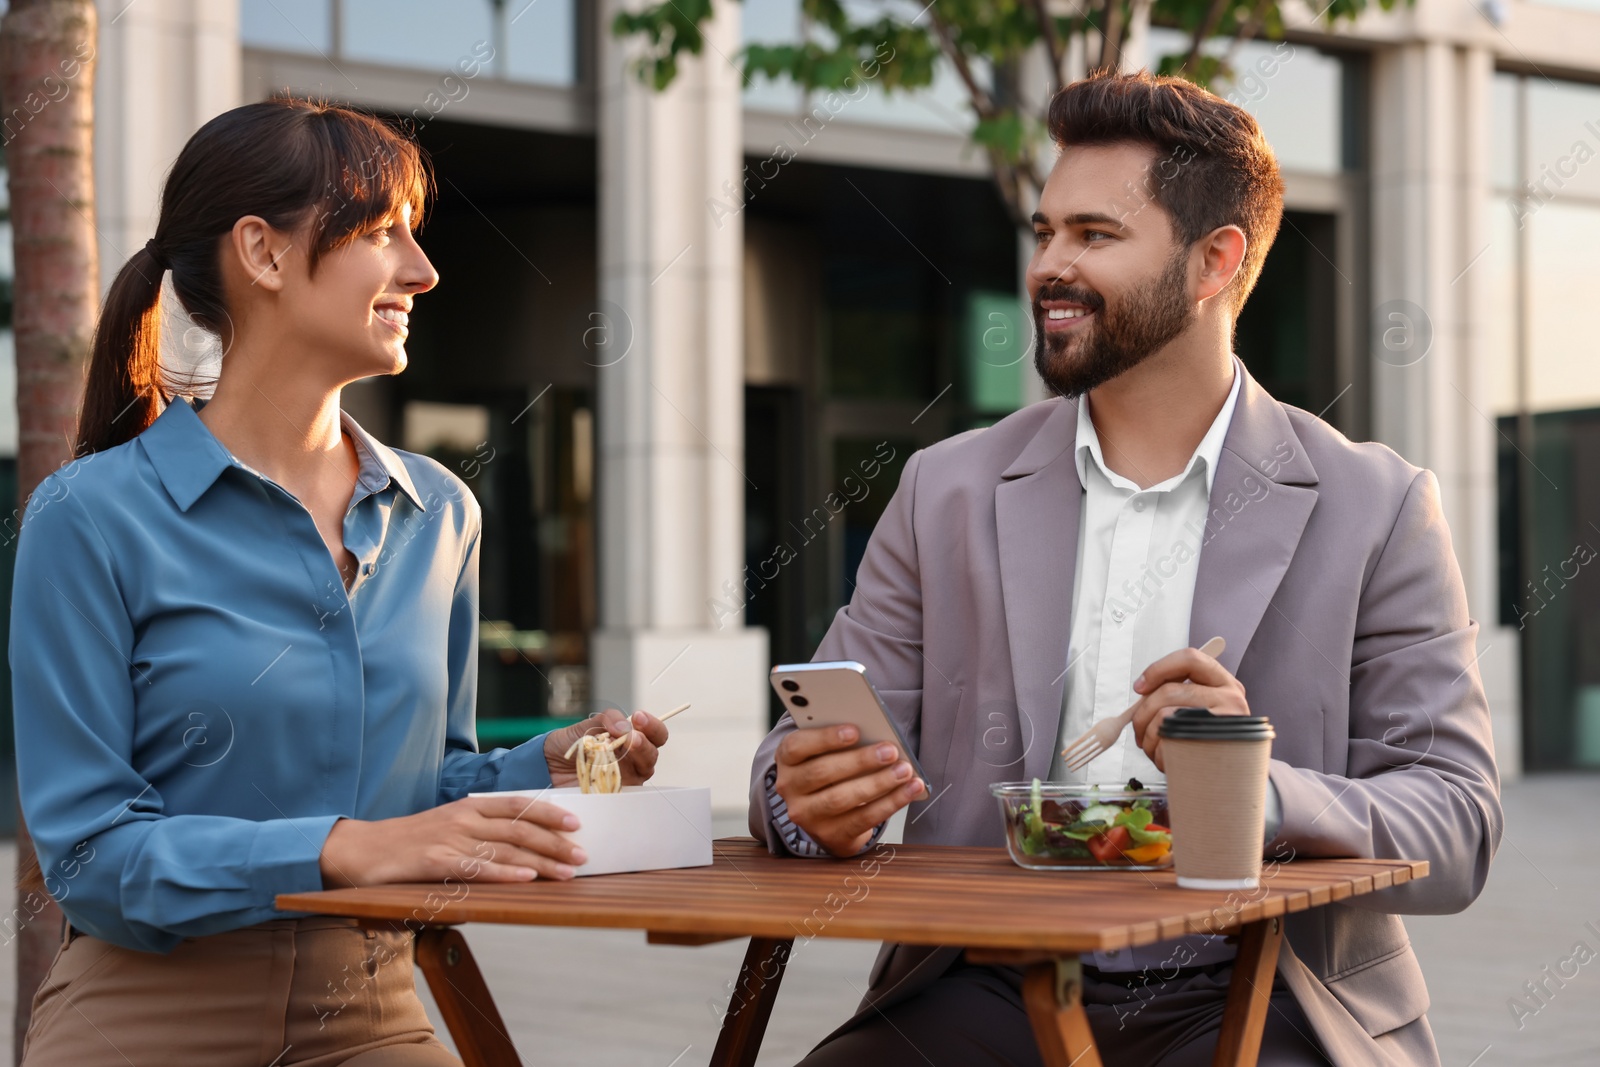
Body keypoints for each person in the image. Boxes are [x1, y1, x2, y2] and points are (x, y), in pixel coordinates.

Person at [750, 70, 1501, 1066]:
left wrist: (1251, 791)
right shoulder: (946, 489)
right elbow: (798, 750)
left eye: (1094, 236)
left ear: (1211, 262)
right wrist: (802, 806)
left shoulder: (1378, 504)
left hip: (1265, 986)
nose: (1049, 266)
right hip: (986, 981)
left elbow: (1456, 820)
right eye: (1046, 230)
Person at [10, 96, 670, 1066]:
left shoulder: (440, 512)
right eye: (380, 232)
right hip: (145, 1015)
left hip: (367, 1011)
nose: (423, 269)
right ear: (263, 253)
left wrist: (543, 767)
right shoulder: (90, 516)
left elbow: (420, 783)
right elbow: (87, 854)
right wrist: (343, 848)